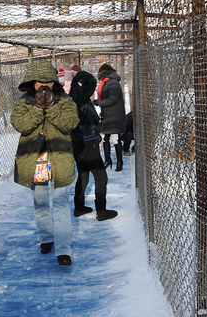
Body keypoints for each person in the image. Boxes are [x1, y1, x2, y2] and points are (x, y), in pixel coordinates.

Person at [10, 60, 79, 266]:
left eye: (48, 82)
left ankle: (63, 250)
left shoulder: (65, 101)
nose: (44, 86)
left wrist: (52, 108)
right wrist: (38, 109)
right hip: (35, 161)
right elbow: (20, 124)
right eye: (39, 82)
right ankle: (46, 238)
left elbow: (70, 124)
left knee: (60, 204)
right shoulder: (24, 103)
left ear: (54, 83)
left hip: (60, 160)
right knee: (40, 203)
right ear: (32, 83)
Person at [69, 65, 118, 221]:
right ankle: (101, 211)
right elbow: (90, 80)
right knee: (100, 176)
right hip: (87, 140)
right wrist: (77, 74)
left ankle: (79, 207)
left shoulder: (68, 96)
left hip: (77, 140)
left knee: (83, 174)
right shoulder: (77, 96)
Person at [93, 63, 126, 172]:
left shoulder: (113, 82)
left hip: (115, 116)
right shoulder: (108, 81)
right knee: (104, 137)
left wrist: (99, 103)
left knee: (115, 138)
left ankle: (119, 162)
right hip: (107, 115)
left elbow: (113, 99)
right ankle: (108, 160)